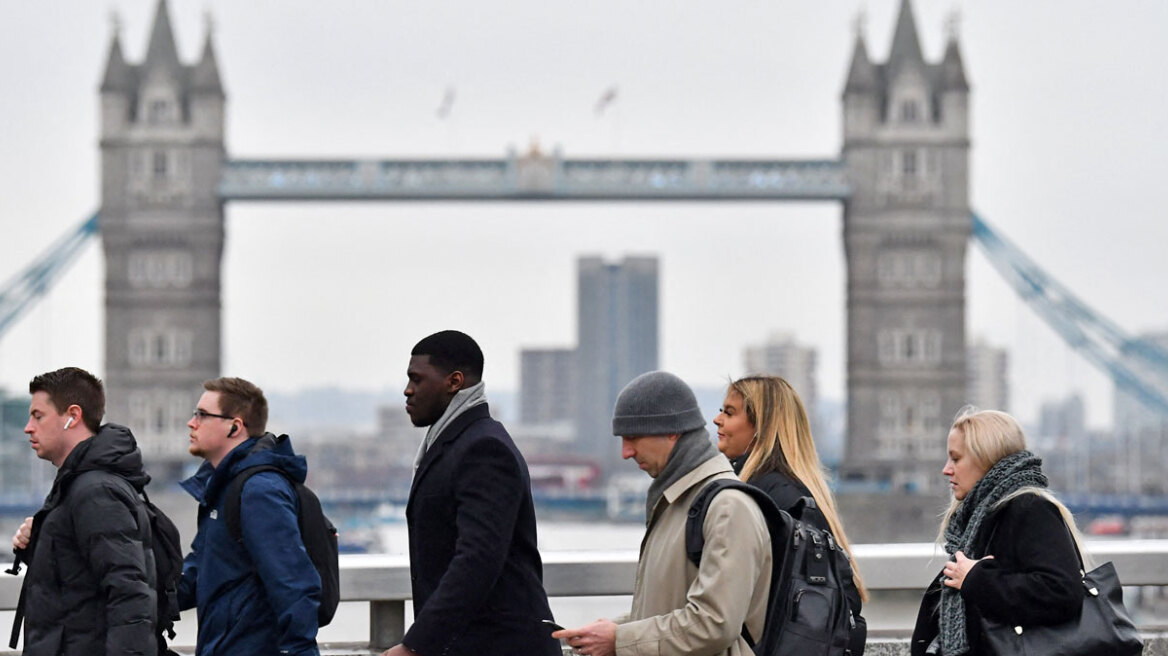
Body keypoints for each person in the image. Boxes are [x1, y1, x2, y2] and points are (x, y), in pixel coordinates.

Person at [554, 370, 773, 656]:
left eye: (633, 437)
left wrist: (619, 640)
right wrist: (610, 632)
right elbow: (669, 611)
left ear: (673, 431)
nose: (625, 452)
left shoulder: (728, 507)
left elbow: (714, 623)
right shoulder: (677, 502)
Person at [381, 330, 559, 656]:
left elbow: (477, 559)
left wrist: (415, 646)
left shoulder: (484, 449)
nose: (407, 390)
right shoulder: (457, 443)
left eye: (417, 379)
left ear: (454, 382)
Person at [910, 407, 1084, 656]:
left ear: (986, 459)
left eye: (956, 459)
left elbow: (1062, 592)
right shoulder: (982, 515)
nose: (946, 469)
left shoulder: (1028, 508)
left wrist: (976, 579)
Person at [713, 375, 867, 652]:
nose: (717, 419)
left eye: (729, 412)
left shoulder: (768, 498)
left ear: (762, 426)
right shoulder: (792, 491)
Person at [10, 367, 157, 655]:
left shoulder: (95, 491)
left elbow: (129, 595)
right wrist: (39, 542)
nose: (28, 427)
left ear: (73, 416)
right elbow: (77, 582)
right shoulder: (79, 484)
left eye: (38, 416)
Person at [177, 377, 321, 656]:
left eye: (202, 415)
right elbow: (199, 571)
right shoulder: (222, 487)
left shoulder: (258, 491)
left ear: (235, 426)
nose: (191, 423)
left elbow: (293, 582)